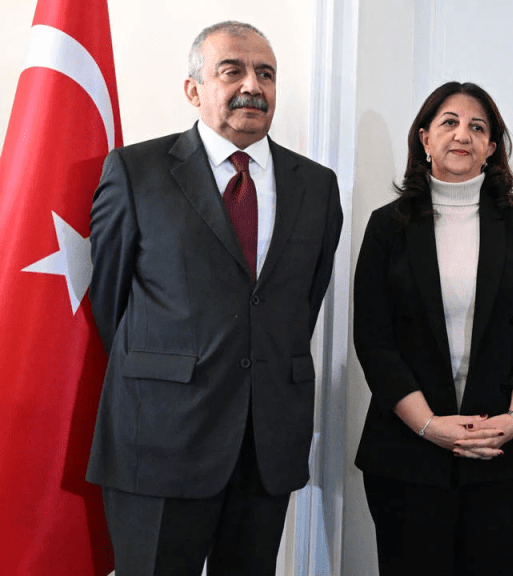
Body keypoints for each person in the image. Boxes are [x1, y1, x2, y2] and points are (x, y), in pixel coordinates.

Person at [87, 21, 343, 574]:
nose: (253, 85)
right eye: (233, 71)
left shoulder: (317, 186)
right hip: (161, 438)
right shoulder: (136, 171)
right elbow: (109, 302)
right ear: (194, 89)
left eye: (266, 74)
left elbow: (300, 304)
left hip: (267, 444)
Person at [353, 81, 513, 576]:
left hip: (500, 448)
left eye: (477, 127)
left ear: (491, 148)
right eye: (449, 122)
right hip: (407, 452)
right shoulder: (387, 226)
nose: (462, 134)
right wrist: (429, 425)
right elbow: (374, 340)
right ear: (425, 139)